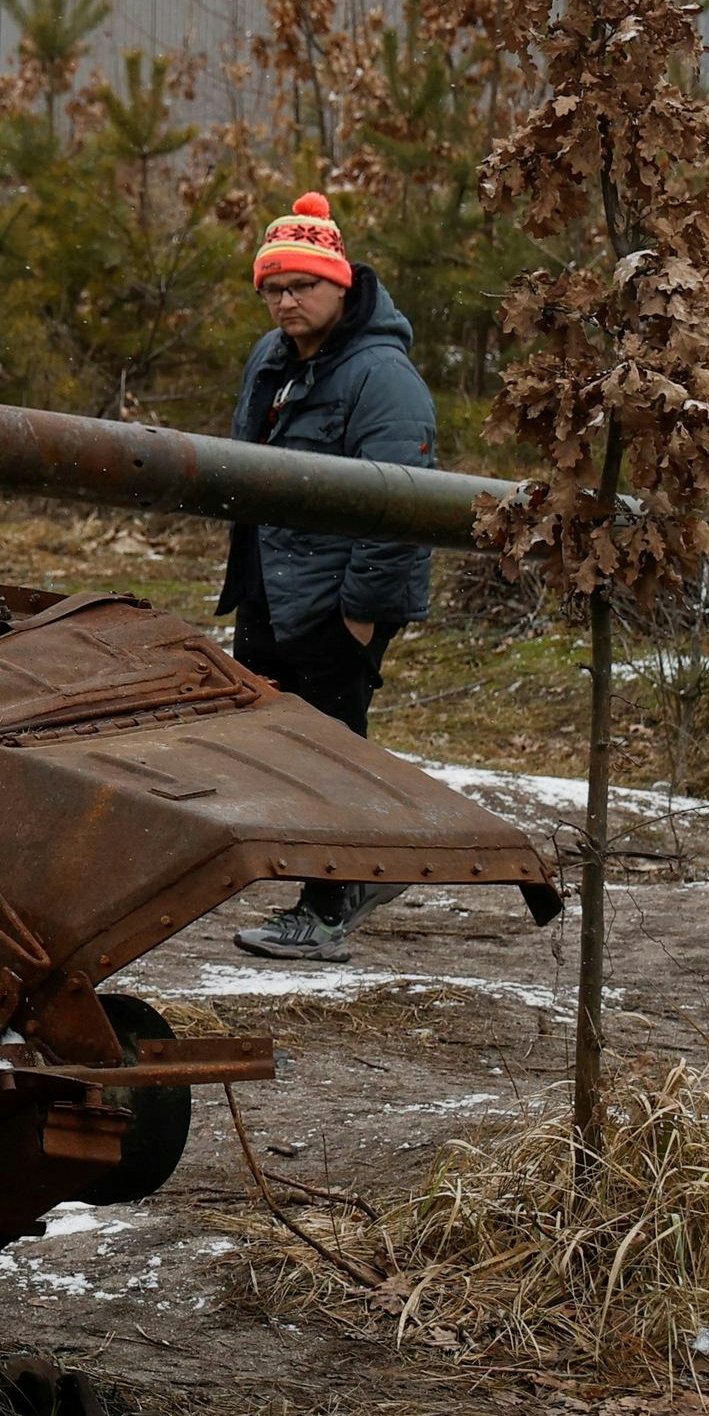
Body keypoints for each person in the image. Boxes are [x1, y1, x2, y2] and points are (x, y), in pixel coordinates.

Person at [221, 193, 437, 963]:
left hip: (337, 600)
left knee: (330, 753)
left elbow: (403, 506)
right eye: (273, 288)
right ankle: (355, 877)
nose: (285, 301)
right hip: (271, 593)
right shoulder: (271, 361)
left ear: (340, 284)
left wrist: (363, 616)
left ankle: (328, 906)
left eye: (301, 286)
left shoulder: (382, 377)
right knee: (280, 747)